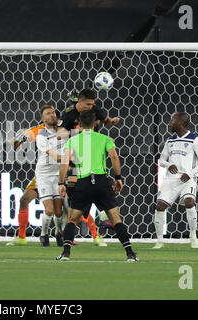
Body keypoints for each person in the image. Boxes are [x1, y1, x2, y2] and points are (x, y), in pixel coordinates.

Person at [56, 110, 139, 262]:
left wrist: (61, 183)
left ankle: (66, 253)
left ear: (79, 124)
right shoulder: (104, 138)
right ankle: (130, 253)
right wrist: (118, 178)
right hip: (101, 181)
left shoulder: (72, 140)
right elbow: (114, 156)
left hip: (83, 182)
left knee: (72, 220)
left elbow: (65, 162)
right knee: (116, 219)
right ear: (96, 123)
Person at [59, 88, 120, 246]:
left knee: (94, 186)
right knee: (76, 191)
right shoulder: (68, 114)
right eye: (87, 104)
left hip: (92, 151)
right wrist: (76, 131)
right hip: (75, 151)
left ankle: (102, 223)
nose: (90, 107)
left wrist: (111, 121)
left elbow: (105, 120)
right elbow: (59, 134)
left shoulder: (95, 109)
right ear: (79, 102)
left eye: (92, 104)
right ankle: (69, 231)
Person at [153, 112, 198, 249]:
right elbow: (161, 160)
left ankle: (193, 237)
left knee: (189, 202)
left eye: (173, 120)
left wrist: (190, 173)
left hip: (187, 179)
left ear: (181, 122)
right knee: (160, 206)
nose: (170, 123)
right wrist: (168, 165)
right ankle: (159, 241)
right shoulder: (170, 140)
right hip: (171, 179)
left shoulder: (195, 139)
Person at [34, 104, 67, 247]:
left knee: (59, 212)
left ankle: (59, 232)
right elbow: (57, 157)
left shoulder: (63, 132)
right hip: (44, 175)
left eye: (53, 112)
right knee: (50, 210)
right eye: (48, 113)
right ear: (43, 118)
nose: (52, 115)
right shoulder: (41, 136)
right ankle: (44, 234)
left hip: (58, 175)